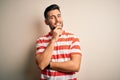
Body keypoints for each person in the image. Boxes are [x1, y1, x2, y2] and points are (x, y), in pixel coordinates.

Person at [35, 4, 82, 80]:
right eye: (52, 17)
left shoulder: (73, 38)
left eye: (59, 16)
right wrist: (53, 39)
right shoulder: (41, 40)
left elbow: (75, 66)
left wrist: (49, 65)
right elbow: (42, 65)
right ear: (46, 22)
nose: (57, 20)